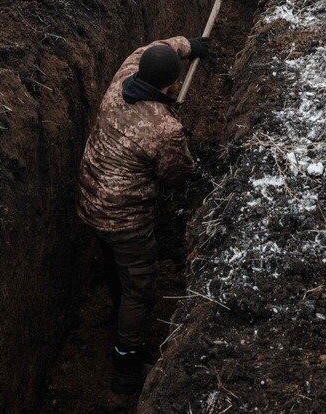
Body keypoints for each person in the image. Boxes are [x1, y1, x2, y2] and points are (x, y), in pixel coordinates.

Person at [77, 35, 209, 394]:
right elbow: (176, 174)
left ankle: (116, 312)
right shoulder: (164, 130)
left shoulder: (122, 79)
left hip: (90, 201)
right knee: (140, 289)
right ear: (171, 84)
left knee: (113, 267)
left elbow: (147, 47)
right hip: (125, 220)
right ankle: (127, 363)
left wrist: (187, 45)